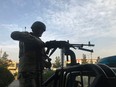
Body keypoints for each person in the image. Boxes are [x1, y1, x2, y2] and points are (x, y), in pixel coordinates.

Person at [11, 21, 51, 87]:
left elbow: (38, 58)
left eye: (43, 31)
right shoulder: (27, 36)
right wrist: (39, 42)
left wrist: (46, 63)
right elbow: (13, 34)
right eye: (41, 30)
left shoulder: (40, 42)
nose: (42, 32)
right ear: (35, 28)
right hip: (27, 75)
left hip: (38, 75)